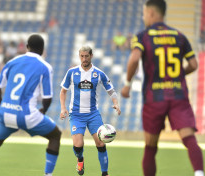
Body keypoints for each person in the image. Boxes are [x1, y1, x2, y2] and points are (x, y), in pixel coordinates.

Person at [120, 1, 204, 176]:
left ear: (150, 13)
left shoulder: (143, 36)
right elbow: (194, 64)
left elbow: (134, 59)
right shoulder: (179, 36)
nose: (143, 17)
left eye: (144, 14)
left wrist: (127, 84)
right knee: (189, 139)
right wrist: (178, 75)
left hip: (154, 97)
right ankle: (199, 173)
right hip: (178, 95)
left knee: (151, 147)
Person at [0, 34, 61, 176]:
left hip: (5, 113)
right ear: (42, 49)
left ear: (27, 47)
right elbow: (47, 98)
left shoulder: (12, 62)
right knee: (55, 136)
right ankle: (48, 175)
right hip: (26, 114)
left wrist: (3, 105)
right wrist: (43, 111)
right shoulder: (45, 67)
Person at [60, 46, 121, 176]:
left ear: (91, 56)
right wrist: (63, 108)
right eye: (81, 56)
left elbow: (111, 91)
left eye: (86, 56)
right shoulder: (72, 72)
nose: (84, 59)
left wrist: (115, 103)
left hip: (93, 114)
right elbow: (63, 91)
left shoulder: (99, 73)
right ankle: (80, 159)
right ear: (79, 56)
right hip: (76, 114)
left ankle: (105, 173)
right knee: (78, 145)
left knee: (100, 143)